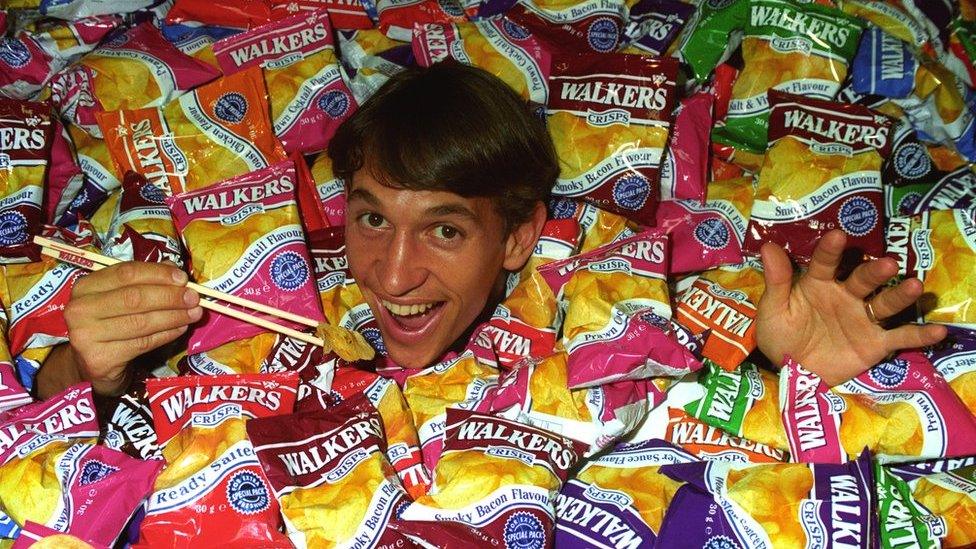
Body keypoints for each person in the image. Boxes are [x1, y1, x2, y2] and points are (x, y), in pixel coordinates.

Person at [36, 62, 948, 398]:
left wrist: (775, 369)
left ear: (516, 239)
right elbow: (72, 395)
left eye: (443, 231)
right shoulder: (256, 285)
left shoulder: (596, 317)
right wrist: (88, 365)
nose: (389, 275)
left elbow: (692, 425)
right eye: (370, 218)